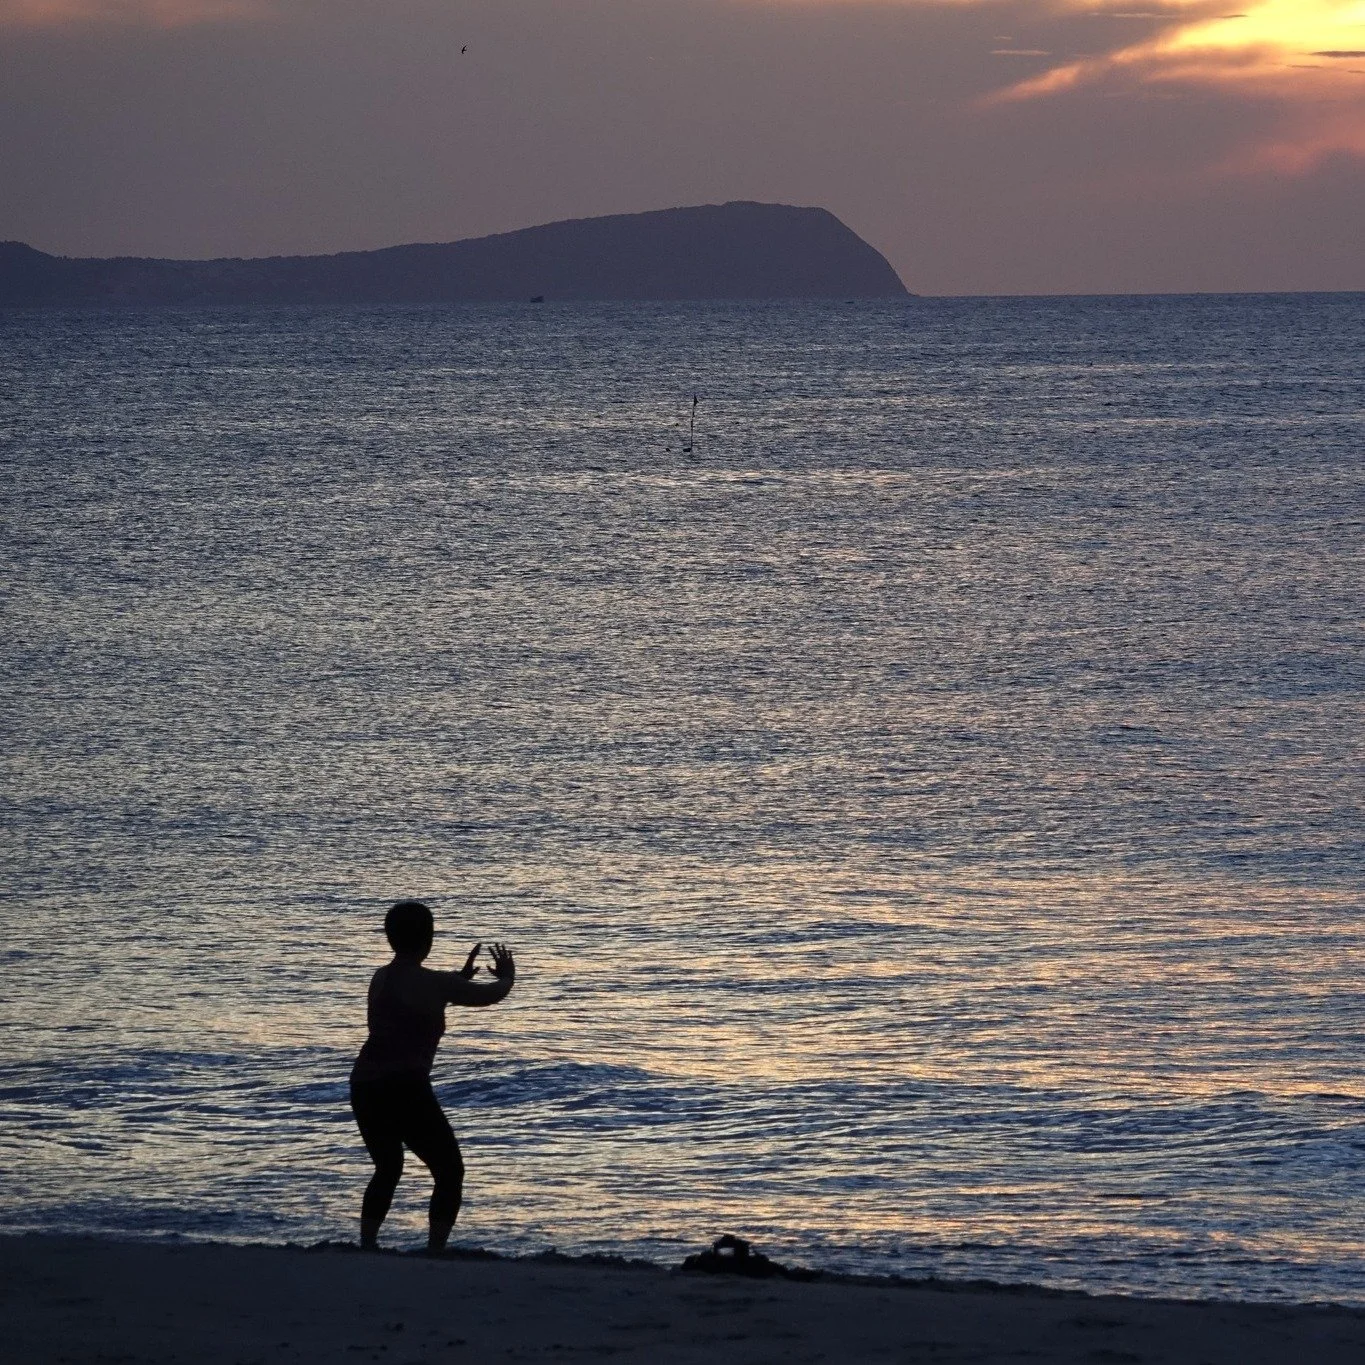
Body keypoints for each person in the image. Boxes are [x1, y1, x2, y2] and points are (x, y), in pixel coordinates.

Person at [349, 899, 515, 1253]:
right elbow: (490, 995)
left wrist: (456, 981)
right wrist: (508, 976)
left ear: (390, 938)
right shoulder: (435, 984)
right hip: (405, 1085)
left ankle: (367, 1246)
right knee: (449, 1171)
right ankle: (435, 1250)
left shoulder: (381, 977)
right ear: (429, 937)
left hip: (364, 1085)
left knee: (387, 1167)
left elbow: (423, 996)